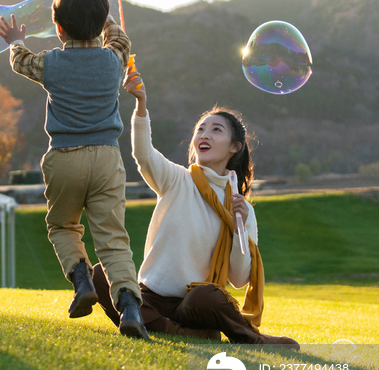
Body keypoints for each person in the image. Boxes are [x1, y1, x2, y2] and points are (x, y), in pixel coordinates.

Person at [92, 62, 299, 349]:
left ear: (234, 147)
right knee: (101, 274)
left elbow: (238, 279)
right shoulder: (177, 179)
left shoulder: (242, 209)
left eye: (216, 130)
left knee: (209, 296)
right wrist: (141, 105)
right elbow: (143, 154)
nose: (204, 134)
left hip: (192, 305)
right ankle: (180, 333)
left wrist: (238, 226)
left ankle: (251, 338)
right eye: (200, 129)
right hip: (148, 296)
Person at [0, 0, 149, 340]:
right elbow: (120, 38)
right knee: (113, 239)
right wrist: (107, 12)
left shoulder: (51, 63)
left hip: (64, 157)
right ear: (100, 25)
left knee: (63, 227)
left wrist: (15, 40)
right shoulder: (114, 60)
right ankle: (130, 307)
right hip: (108, 158)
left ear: (58, 28)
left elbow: (20, 61)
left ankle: (82, 281)